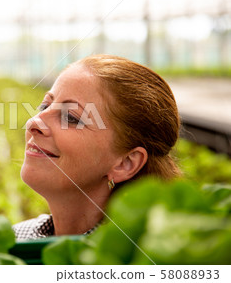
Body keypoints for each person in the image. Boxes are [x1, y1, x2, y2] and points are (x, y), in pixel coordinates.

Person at [13, 54, 181, 241]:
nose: (33, 123)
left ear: (125, 163)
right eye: (44, 106)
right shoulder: (14, 239)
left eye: (70, 117)